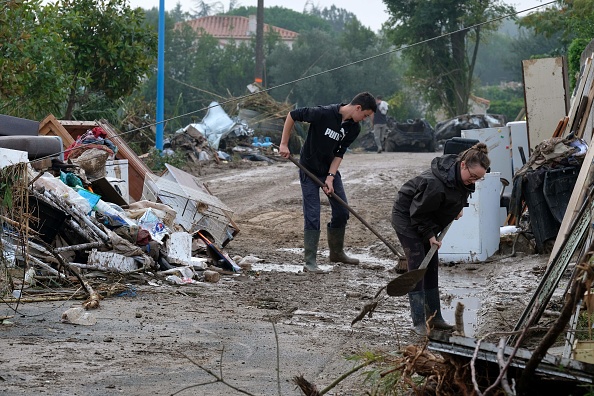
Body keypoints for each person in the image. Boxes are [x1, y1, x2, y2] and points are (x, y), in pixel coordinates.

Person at [391, 143, 490, 334]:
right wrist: (429, 236)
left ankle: (435, 317)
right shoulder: (435, 184)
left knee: (432, 264)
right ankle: (419, 321)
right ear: (463, 165)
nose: (474, 181)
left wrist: (459, 206)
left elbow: (461, 190)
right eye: (473, 176)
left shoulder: (461, 177)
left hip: (424, 215)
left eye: (479, 179)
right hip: (407, 217)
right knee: (419, 265)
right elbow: (418, 214)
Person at [279, 92, 377, 273]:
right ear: (358, 108)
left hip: (328, 170)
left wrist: (330, 177)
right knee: (313, 213)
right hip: (309, 169)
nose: (363, 119)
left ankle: (337, 253)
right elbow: (293, 115)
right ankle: (310, 262)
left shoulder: (353, 129)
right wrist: (284, 144)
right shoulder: (323, 113)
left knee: (341, 210)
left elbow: (339, 153)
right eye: (364, 115)